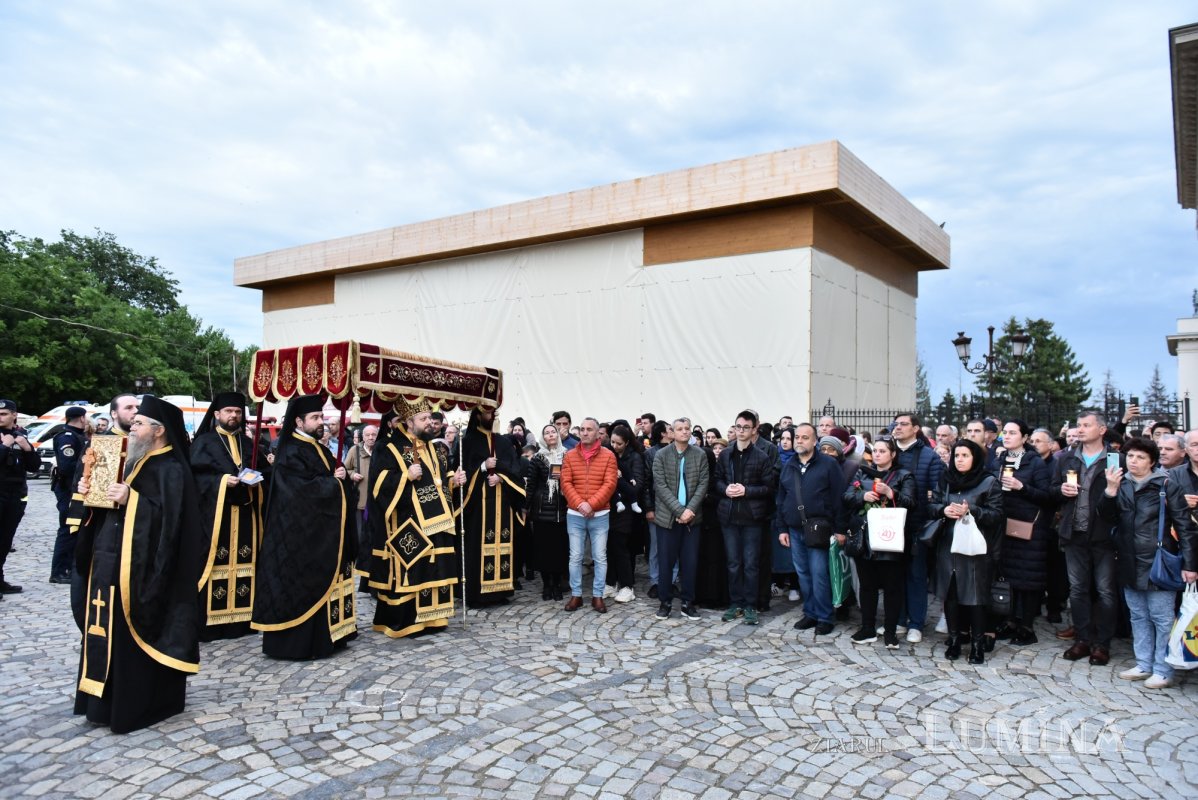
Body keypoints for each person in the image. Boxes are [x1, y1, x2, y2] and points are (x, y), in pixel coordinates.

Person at [73, 395, 203, 733]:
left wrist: (133, 501)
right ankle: (102, 702)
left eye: (140, 423)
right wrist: (90, 493)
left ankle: (137, 705)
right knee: (106, 629)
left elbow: (172, 526)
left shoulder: (172, 469)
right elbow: (103, 508)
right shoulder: (130, 460)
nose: (133, 427)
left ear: (158, 431)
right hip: (110, 562)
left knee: (131, 635)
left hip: (144, 572)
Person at [252, 394, 357, 659]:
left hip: (319, 532)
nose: (321, 422)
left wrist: (341, 479)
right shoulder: (290, 451)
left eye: (321, 417)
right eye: (315, 418)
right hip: (296, 537)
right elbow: (298, 493)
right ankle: (301, 643)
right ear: (299, 421)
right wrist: (333, 483)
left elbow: (330, 479)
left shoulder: (318, 448)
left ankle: (331, 636)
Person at [1099, 437, 1198, 689]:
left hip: (1158, 561)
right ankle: (1144, 663)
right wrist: (1109, 491)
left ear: (1152, 461)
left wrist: (1190, 564)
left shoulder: (1166, 485)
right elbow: (1105, 517)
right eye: (1130, 456)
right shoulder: (1120, 484)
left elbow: (1185, 527)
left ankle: (1163, 669)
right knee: (1138, 616)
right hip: (1128, 559)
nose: (1133, 461)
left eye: (1140, 457)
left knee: (1162, 617)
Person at [367, 398, 466, 638]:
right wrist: (405, 476)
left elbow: (441, 480)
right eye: (423, 419)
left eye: (430, 418)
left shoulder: (436, 447)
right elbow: (378, 488)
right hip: (407, 522)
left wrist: (455, 482)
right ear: (408, 421)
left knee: (435, 569)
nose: (430, 423)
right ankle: (407, 620)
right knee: (413, 569)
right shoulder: (387, 447)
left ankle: (433, 618)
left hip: (438, 522)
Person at [191, 392, 268, 641]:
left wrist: (258, 480)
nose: (234, 416)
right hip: (216, 519)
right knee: (213, 566)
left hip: (246, 515)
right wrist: (223, 481)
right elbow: (195, 479)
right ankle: (211, 625)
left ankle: (244, 621)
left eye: (237, 412)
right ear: (216, 415)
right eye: (228, 412)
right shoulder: (203, 443)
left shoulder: (249, 444)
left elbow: (266, 472)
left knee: (249, 564)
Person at [1052, 410, 1120, 666]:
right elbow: (1051, 491)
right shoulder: (1067, 458)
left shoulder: (1114, 458)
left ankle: (1102, 644)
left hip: (1104, 536)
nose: (1080, 429)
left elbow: (1123, 502)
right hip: (1074, 533)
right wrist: (1060, 489)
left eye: (1086, 425)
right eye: (1078, 425)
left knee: (1105, 591)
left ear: (1101, 429)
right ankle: (1082, 639)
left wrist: (1112, 491)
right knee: (1078, 589)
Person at [929, 439, 1004, 664]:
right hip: (948, 545)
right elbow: (931, 506)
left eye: (965, 455)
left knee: (975, 598)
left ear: (975, 458)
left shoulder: (988, 482)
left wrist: (972, 511)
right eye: (957, 456)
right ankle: (954, 640)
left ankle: (978, 645)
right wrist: (944, 510)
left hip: (975, 548)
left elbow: (997, 515)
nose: (960, 460)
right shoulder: (946, 479)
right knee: (951, 596)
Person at [776, 422, 847, 635]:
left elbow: (839, 498)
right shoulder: (789, 465)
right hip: (795, 529)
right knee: (803, 574)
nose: (799, 440)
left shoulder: (828, 464)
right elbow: (781, 499)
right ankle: (811, 613)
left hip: (819, 528)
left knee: (819, 574)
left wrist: (840, 529)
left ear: (815, 441)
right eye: (797, 437)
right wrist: (782, 528)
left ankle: (825, 617)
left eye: (804, 437)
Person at [843, 436, 914, 648]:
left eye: (883, 451)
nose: (878, 454)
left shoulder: (904, 475)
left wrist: (891, 492)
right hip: (865, 538)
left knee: (893, 587)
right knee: (867, 586)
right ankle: (867, 628)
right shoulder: (862, 472)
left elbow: (912, 502)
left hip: (890, 538)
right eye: (876, 451)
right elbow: (846, 497)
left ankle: (891, 631)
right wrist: (862, 496)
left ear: (893, 454)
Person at [715, 410, 777, 626]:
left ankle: (750, 604)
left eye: (745, 427)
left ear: (753, 430)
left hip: (752, 517)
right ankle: (736, 603)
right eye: (738, 427)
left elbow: (769, 487)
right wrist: (726, 490)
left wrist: (746, 490)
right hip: (729, 516)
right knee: (733, 563)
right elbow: (717, 481)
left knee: (751, 563)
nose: (741, 431)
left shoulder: (762, 456)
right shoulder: (725, 454)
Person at [994, 420, 1052, 646]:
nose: (1007, 436)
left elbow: (1047, 496)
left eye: (1012, 433)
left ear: (1025, 437)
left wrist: (1022, 487)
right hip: (1003, 525)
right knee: (1007, 575)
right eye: (1004, 433)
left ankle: (1026, 625)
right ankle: (1009, 621)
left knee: (1027, 578)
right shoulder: (999, 460)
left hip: (1029, 529)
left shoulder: (1035, 463)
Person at [460, 407, 526, 606]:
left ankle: (500, 591)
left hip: (503, 503)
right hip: (477, 507)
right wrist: (482, 467)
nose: (492, 416)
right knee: (478, 547)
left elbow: (515, 470)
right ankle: (477, 593)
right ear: (478, 415)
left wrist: (501, 477)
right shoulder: (468, 441)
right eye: (488, 413)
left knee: (504, 543)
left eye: (494, 413)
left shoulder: (504, 442)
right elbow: (460, 471)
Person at [891, 412, 943, 643]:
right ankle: (899, 619)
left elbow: (936, 492)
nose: (898, 427)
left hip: (917, 524)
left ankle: (916, 623)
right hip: (890, 525)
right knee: (895, 575)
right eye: (897, 424)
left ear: (916, 428)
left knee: (916, 575)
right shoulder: (889, 452)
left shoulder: (929, 456)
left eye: (904, 424)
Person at [651, 417, 710, 620]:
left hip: (692, 518)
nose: (684, 432)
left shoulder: (700, 455)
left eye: (687, 429)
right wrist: (679, 511)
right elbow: (660, 486)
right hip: (668, 518)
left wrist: (689, 510)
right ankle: (665, 602)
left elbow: (703, 483)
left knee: (690, 562)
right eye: (679, 429)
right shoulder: (661, 455)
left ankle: (687, 602)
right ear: (671, 433)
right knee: (666, 563)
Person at [561, 418, 618, 613]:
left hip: (600, 514)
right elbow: (566, 482)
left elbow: (609, 484)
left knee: (600, 557)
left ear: (597, 433)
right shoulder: (569, 456)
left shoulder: (609, 456)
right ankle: (576, 595)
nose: (584, 433)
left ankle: (598, 596)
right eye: (582, 429)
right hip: (575, 514)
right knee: (575, 556)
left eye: (589, 430)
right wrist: (580, 504)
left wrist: (591, 504)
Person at [0, 399, 41, 596]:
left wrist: (27, 448)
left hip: (15, 493)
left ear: (14, 415)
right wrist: (4, 447)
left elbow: (34, 467)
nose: (0, 418)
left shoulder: (21, 435)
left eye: (4, 414)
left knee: (6, 540)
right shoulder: (5, 438)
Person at [528, 424, 569, 600]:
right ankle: (547, 585)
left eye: (553, 432)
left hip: (561, 510)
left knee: (559, 550)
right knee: (543, 550)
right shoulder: (538, 458)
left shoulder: (567, 455)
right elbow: (531, 484)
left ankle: (558, 584)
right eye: (547, 433)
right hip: (542, 509)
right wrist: (525, 507)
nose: (550, 435)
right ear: (542, 437)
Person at [49, 406, 88, 584]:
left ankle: (69, 567)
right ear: (81, 418)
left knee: (75, 529)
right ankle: (59, 570)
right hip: (67, 489)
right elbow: (67, 466)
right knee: (67, 528)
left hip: (75, 488)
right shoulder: (67, 436)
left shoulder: (79, 435)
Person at [607, 426, 645, 603]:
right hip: (611, 507)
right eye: (612, 442)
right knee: (610, 547)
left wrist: (620, 480)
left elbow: (637, 486)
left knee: (621, 548)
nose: (615, 446)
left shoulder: (635, 457)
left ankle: (627, 586)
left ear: (627, 442)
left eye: (619, 443)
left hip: (627, 509)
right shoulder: (608, 453)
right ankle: (611, 582)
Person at [342, 424, 377, 592]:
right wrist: (352, 475)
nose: (371, 438)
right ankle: (360, 560)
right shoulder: (355, 451)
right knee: (360, 532)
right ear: (363, 436)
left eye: (373, 435)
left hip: (376, 501)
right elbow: (344, 469)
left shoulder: (380, 451)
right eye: (368, 435)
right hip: (360, 500)